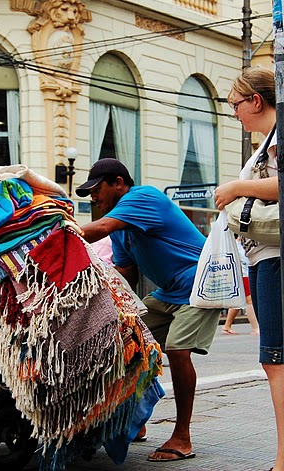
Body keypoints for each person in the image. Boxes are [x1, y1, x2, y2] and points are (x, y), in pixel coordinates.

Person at [76, 158, 221, 462]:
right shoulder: (119, 226)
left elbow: (100, 228)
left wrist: (53, 234)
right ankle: (134, 419)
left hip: (198, 285)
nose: (93, 198)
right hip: (168, 292)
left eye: (96, 190)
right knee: (122, 339)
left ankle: (182, 436)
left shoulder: (142, 196)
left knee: (178, 350)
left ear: (118, 182)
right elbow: (125, 271)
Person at [214, 66, 282, 471]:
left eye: (236, 104)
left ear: (256, 101)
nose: (235, 113)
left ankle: (282, 460)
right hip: (264, 256)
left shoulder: (277, 138)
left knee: (276, 360)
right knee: (274, 360)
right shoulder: (267, 142)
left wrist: (238, 187)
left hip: (273, 257)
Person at [222, 234, 259, 335]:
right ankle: (255, 328)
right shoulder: (235, 244)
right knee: (249, 301)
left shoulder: (244, 244)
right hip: (243, 274)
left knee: (239, 301)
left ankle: (227, 325)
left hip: (244, 273)